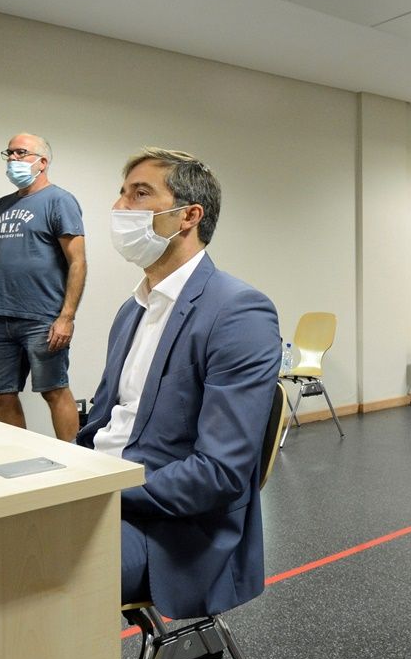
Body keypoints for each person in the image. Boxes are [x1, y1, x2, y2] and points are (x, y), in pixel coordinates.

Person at [75, 147, 280, 619]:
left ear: (188, 215)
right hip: (103, 494)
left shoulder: (238, 312)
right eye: (121, 193)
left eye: (139, 193)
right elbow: (105, 426)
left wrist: (98, 491)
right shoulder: (133, 309)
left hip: (171, 531)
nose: (119, 208)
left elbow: (220, 474)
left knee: (19, 564)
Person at [0, 133, 86, 441]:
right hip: (0, 317)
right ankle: (19, 459)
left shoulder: (59, 200)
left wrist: (66, 316)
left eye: (20, 152)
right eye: (8, 153)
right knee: (0, 395)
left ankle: (76, 466)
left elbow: (78, 262)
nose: (12, 159)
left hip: (43, 317)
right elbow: (1, 262)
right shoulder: (2, 206)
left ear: (42, 162)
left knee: (53, 391)